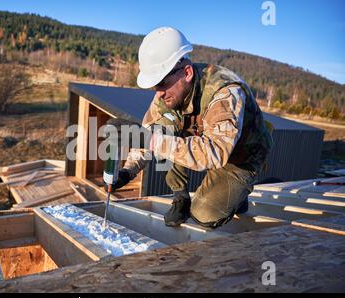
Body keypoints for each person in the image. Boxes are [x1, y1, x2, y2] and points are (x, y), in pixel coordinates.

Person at [107, 26, 273, 229]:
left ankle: (238, 196)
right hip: (208, 142)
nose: (158, 94)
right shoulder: (166, 95)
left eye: (162, 84)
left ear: (186, 73)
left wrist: (149, 139)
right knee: (163, 135)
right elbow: (151, 132)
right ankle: (181, 196)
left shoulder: (225, 92)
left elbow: (214, 153)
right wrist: (127, 173)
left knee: (204, 215)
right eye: (154, 87)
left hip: (242, 154)